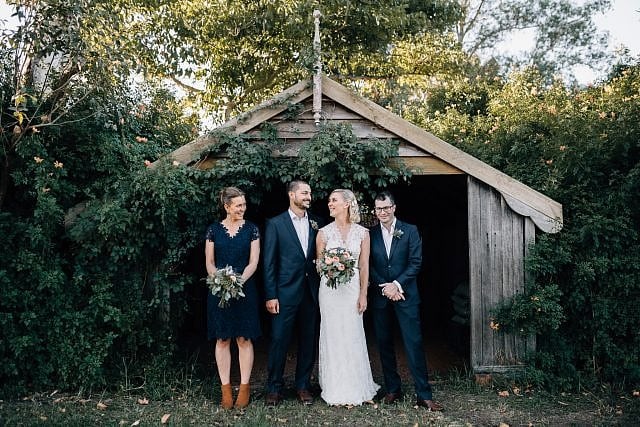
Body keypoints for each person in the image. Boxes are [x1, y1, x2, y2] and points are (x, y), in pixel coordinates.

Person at [369, 191, 443, 411]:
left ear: (393, 208)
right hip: (381, 296)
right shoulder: (369, 234)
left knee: (414, 343)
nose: (381, 212)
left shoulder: (410, 230)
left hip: (406, 295)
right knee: (383, 344)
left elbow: (415, 262)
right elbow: (367, 264)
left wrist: (397, 285)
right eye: (378, 209)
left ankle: (423, 393)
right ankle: (393, 389)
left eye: (385, 208)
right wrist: (385, 287)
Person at [316, 189, 379, 406]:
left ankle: (358, 386)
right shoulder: (323, 233)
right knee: (333, 335)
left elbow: (364, 266)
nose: (330, 204)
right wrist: (331, 268)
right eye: (329, 201)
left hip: (352, 291)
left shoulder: (363, 233)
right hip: (330, 292)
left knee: (352, 334)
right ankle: (335, 387)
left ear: (347, 204)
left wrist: (363, 294)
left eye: (334, 200)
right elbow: (319, 265)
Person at [263, 180, 323, 405]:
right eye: (304, 192)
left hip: (311, 292)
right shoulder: (275, 224)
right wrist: (271, 295)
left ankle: (303, 386)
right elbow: (269, 263)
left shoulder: (318, 222)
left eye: (309, 192)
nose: (309, 196)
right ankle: (274, 388)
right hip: (284, 293)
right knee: (279, 339)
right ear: (291, 195)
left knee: (308, 340)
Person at [205, 187, 261, 409]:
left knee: (244, 338)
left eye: (244, 205)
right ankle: (226, 389)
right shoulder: (213, 230)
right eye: (238, 205)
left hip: (245, 289)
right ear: (226, 207)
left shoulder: (252, 229)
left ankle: (245, 388)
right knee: (223, 339)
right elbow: (209, 262)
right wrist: (220, 280)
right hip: (219, 291)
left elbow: (253, 261)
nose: (242, 209)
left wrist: (238, 281)